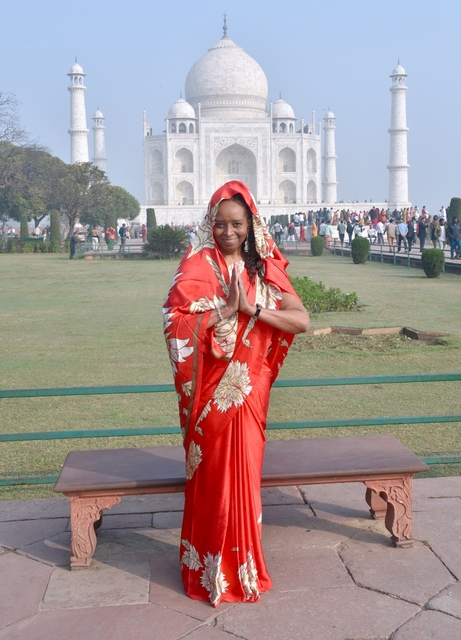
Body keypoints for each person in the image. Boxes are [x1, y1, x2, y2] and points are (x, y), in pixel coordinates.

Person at [163, 181, 309, 607]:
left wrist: (252, 310)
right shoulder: (197, 267)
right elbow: (174, 320)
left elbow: (300, 319)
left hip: (247, 390)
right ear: (211, 224)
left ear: (251, 225)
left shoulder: (263, 270)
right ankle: (207, 571)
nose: (228, 231)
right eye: (221, 223)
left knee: (243, 479)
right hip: (210, 393)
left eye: (237, 223)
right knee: (211, 479)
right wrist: (220, 312)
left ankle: (242, 567)